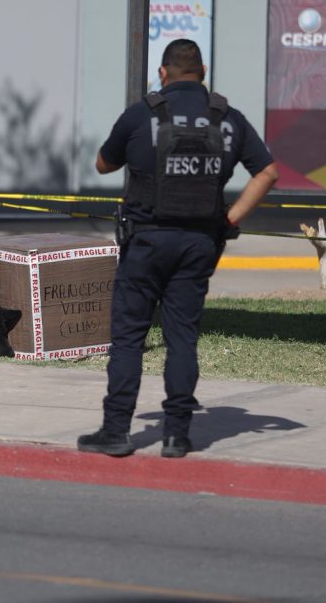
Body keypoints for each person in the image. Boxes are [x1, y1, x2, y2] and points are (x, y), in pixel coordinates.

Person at [78, 39, 279, 459]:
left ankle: (116, 431)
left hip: (146, 242)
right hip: (198, 244)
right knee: (182, 339)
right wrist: (230, 218)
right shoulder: (227, 119)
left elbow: (102, 164)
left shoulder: (142, 114)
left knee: (129, 339)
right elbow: (268, 172)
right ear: (203, 73)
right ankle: (176, 436)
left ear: (163, 73)